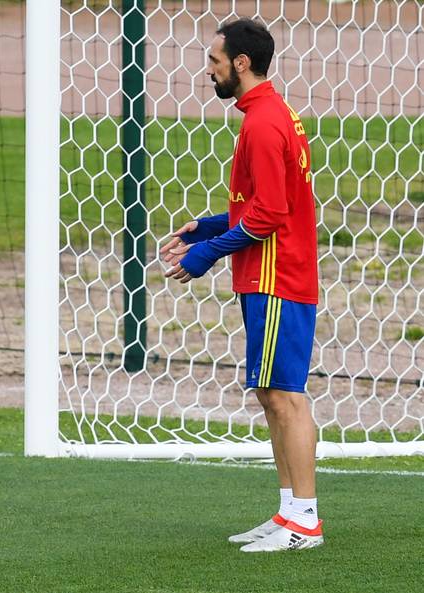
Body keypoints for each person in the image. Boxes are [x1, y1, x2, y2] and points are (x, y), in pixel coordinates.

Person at [160, 18, 322, 552]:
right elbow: (267, 201)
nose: (208, 71)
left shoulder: (262, 123)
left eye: (214, 61)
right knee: (272, 395)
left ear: (241, 64)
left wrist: (205, 254)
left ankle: (305, 521)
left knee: (285, 397)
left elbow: (271, 213)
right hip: (270, 274)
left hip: (279, 277)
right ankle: (289, 513)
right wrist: (207, 226)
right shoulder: (271, 114)